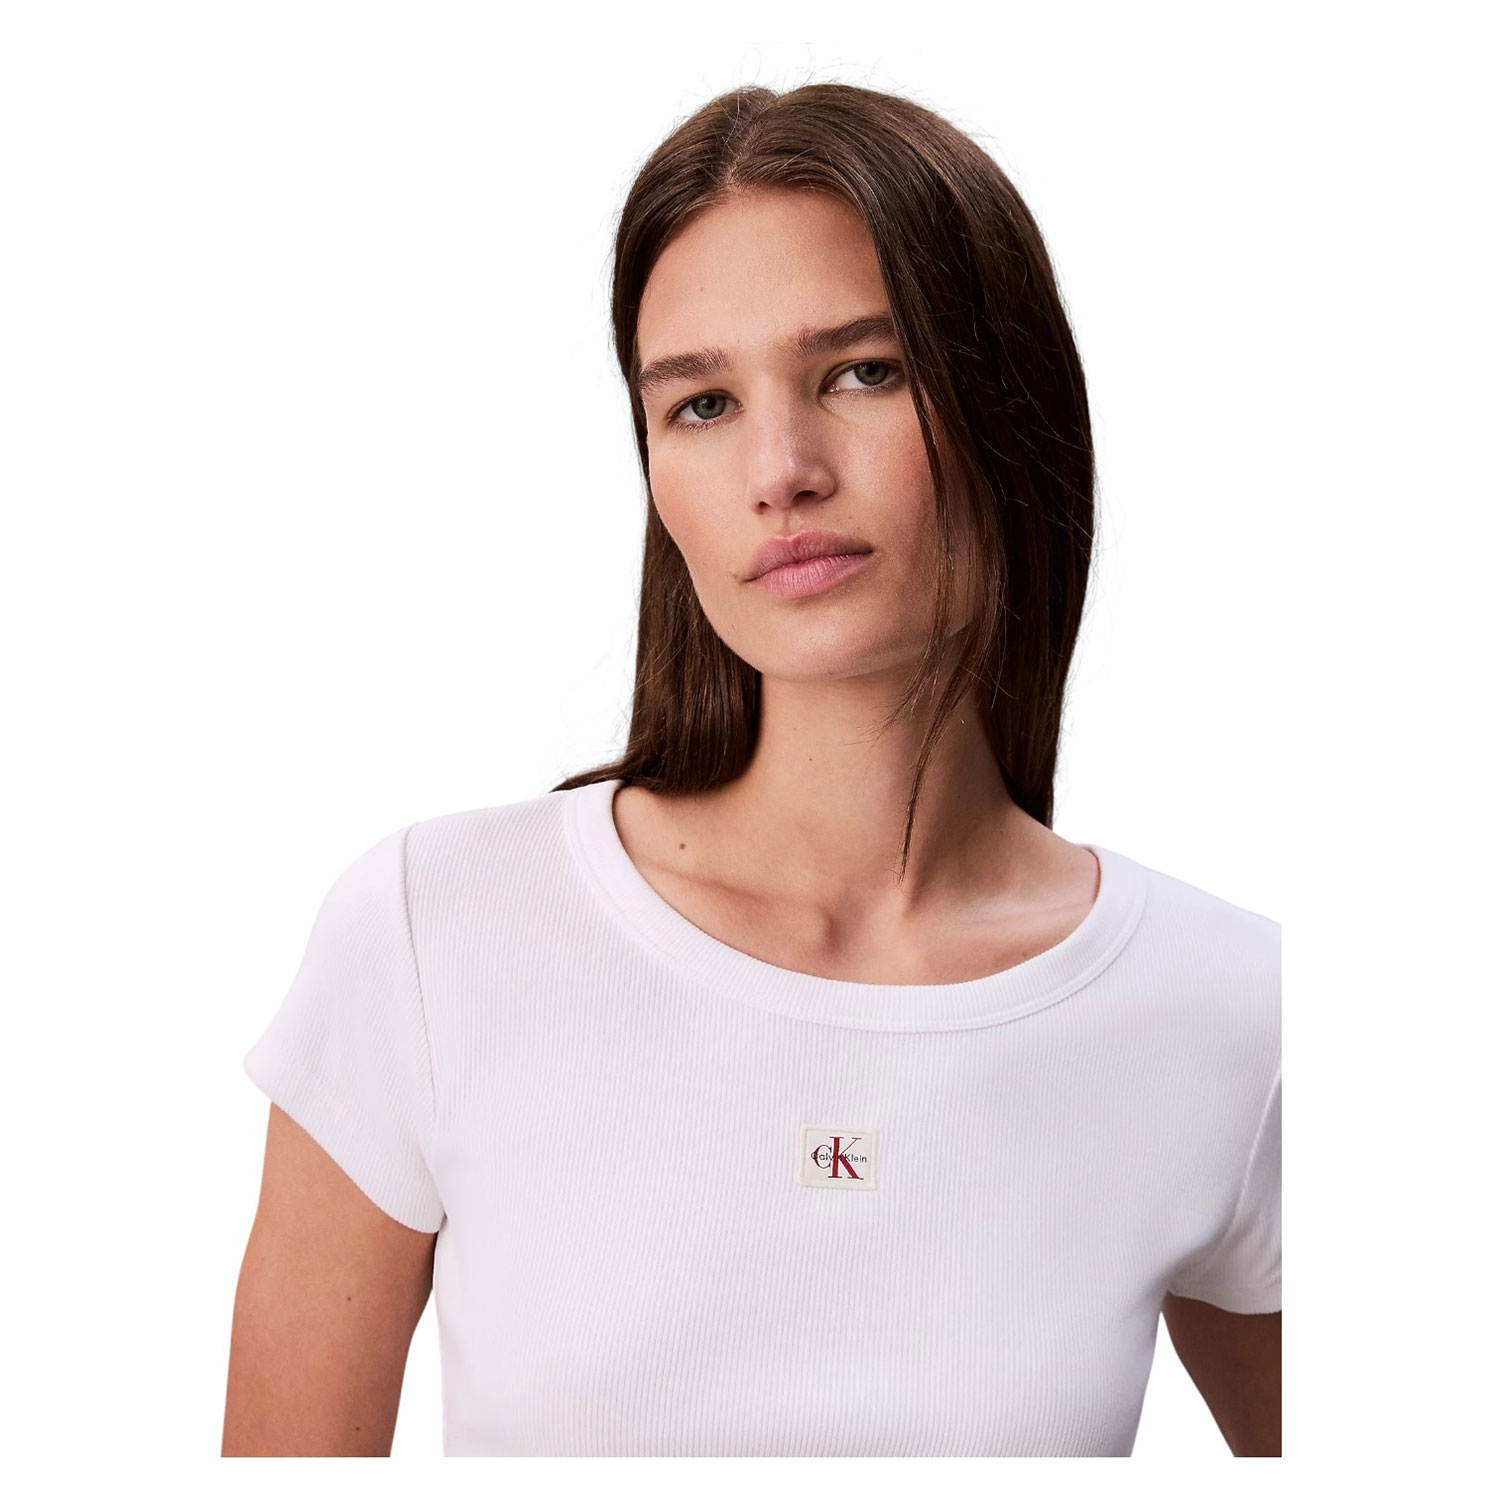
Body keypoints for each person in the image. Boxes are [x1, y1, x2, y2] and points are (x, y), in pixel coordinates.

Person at [223, 81, 1281, 1459]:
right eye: (704, 403)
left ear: (1006, 397)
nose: (780, 472)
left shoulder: (1223, 1006)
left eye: (863, 372)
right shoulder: (435, 932)